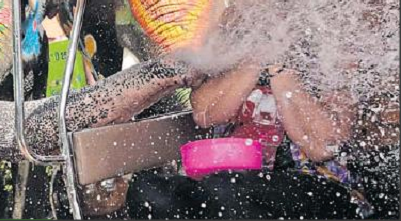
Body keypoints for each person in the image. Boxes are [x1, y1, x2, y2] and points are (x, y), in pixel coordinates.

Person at [125, 59, 374, 219]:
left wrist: (282, 76)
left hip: (320, 188)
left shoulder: (330, 58)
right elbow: (205, 114)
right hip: (229, 179)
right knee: (148, 191)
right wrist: (256, 62)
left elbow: (322, 146)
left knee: (227, 190)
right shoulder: (239, 52)